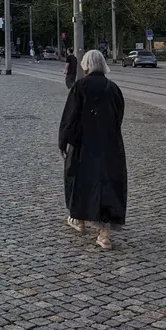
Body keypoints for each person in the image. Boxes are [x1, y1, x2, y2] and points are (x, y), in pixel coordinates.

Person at [58, 50, 127, 250]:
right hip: (109, 144)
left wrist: (64, 141)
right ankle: (104, 233)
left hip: (84, 144)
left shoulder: (80, 86)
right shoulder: (113, 88)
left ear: (86, 65)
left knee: (79, 179)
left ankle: (78, 219)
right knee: (107, 184)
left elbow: (70, 117)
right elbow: (119, 116)